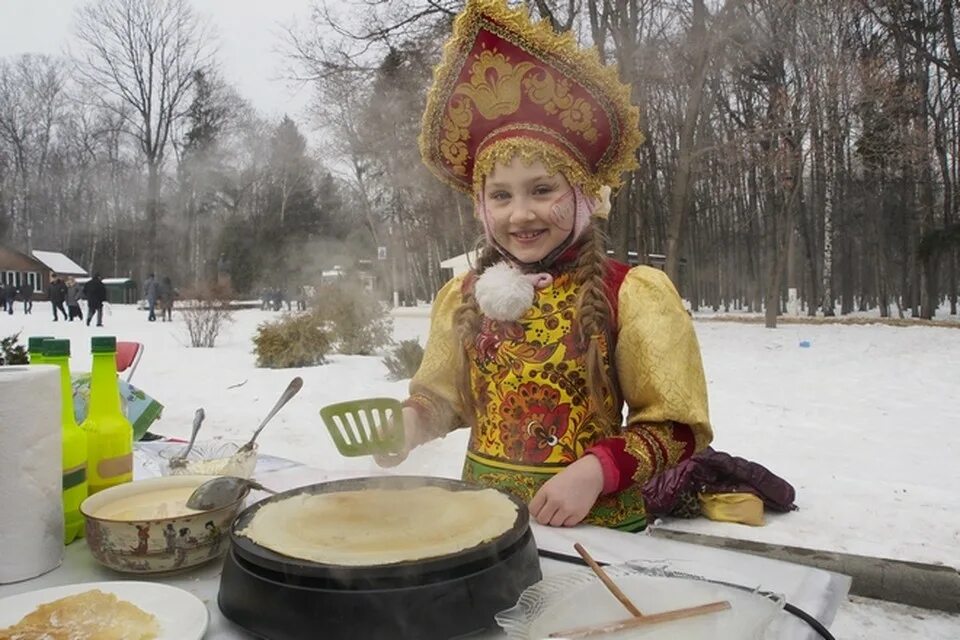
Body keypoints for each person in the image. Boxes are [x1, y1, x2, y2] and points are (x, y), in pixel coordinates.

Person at [375, 0, 712, 532]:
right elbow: (443, 401)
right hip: (482, 525)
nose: (521, 214)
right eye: (501, 196)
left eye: (541, 190)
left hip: (596, 531)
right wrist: (410, 425)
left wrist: (596, 472)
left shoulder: (632, 293)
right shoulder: (462, 297)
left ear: (583, 194)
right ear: (481, 206)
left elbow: (679, 426)